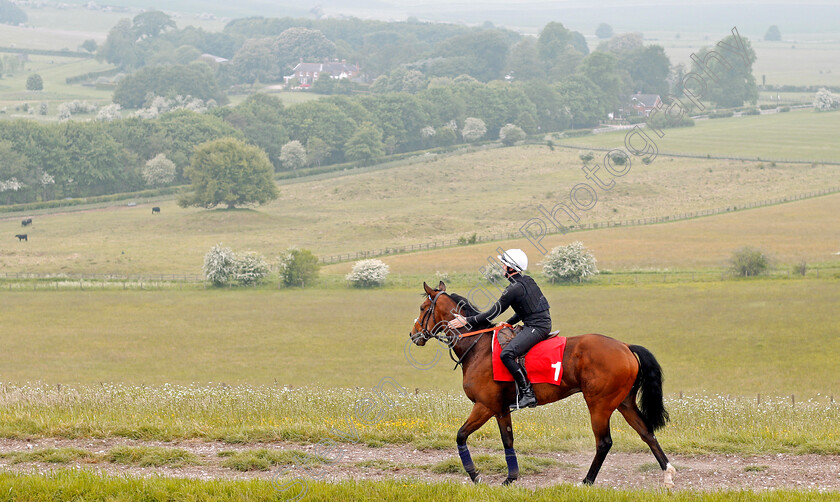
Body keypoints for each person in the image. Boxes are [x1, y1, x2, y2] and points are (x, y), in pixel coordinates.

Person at [448, 249, 551, 410]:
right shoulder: (526, 281)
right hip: (537, 324)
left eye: (504, 264)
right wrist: (508, 323)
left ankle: (528, 394)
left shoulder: (513, 289)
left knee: (507, 354)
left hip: (537, 328)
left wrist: (465, 320)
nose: (502, 266)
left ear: (510, 268)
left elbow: (491, 314)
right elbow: (524, 310)